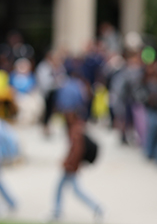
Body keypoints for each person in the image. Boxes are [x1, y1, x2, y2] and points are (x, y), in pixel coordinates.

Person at [50, 77, 103, 222]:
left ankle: (97, 208)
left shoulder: (76, 128)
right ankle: (57, 211)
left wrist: (68, 164)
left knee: (75, 190)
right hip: (72, 165)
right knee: (65, 188)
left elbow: (76, 150)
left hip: (71, 167)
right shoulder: (74, 125)